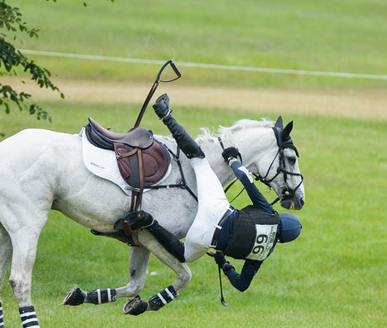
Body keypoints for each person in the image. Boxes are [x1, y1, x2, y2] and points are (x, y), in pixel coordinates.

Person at [120, 94, 302, 292]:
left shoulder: (270, 214)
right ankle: (148, 221)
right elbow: (241, 285)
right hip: (204, 239)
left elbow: (248, 183)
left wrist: (233, 160)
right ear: (281, 240)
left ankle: (165, 114)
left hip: (215, 210)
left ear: (282, 219)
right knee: (182, 256)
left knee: (198, 158)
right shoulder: (262, 255)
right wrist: (224, 264)